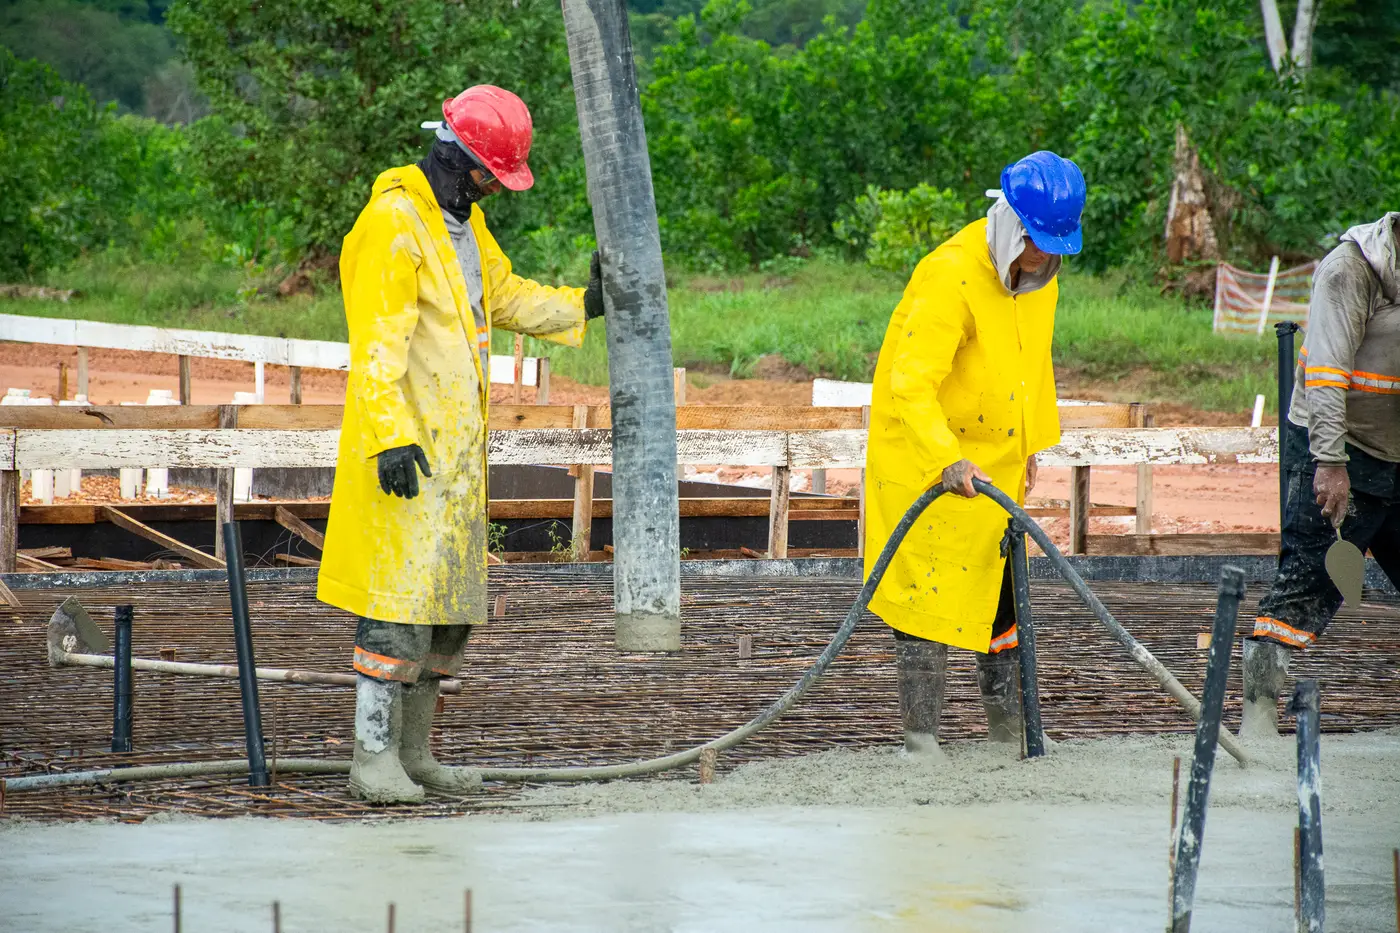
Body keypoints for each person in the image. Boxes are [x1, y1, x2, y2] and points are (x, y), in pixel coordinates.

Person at [317, 86, 605, 802]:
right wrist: (390, 439)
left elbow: (503, 296)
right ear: (456, 156)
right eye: (488, 176)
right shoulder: (394, 223)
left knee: (447, 610)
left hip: (454, 462)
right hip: (407, 457)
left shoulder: (462, 224)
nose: (492, 190)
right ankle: (372, 758)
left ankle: (416, 756)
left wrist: (584, 303)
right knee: (398, 608)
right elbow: (376, 344)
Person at [863, 151, 1086, 755]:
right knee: (925, 599)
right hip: (925, 457)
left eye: (1053, 247)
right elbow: (910, 384)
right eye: (1034, 242)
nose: (1041, 257)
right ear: (1010, 225)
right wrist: (946, 457)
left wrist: (1030, 441)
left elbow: (1033, 363)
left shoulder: (1044, 280)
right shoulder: (951, 277)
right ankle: (921, 743)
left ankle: (1009, 732)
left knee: (1003, 590)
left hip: (995, 466)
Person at [1240, 212, 1400, 740]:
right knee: (1308, 580)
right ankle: (1258, 718)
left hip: (1396, 448)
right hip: (1338, 446)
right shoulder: (1349, 272)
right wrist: (1329, 463)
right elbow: (1326, 377)